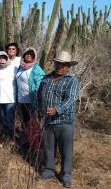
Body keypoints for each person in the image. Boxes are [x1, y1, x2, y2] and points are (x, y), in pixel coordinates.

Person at [36, 51, 80, 188]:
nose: (61, 66)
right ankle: (48, 170)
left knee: (66, 150)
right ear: (54, 63)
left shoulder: (72, 81)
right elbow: (39, 96)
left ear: (69, 66)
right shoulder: (46, 78)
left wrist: (57, 109)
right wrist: (38, 111)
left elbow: (70, 99)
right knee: (49, 148)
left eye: (64, 64)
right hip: (48, 121)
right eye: (59, 63)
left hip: (65, 121)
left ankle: (66, 175)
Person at [16, 48, 45, 130]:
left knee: (31, 122)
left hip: (31, 100)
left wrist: (36, 96)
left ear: (34, 57)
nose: (29, 55)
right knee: (24, 121)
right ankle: (25, 138)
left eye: (31, 54)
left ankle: (33, 140)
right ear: (24, 55)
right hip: (21, 99)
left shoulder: (36, 68)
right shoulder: (20, 67)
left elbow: (40, 85)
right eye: (27, 54)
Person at [0, 51, 17, 141]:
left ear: (7, 58)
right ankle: (4, 136)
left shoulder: (13, 68)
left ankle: (11, 138)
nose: (1, 60)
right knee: (2, 119)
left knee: (10, 119)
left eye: (3, 57)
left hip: (10, 99)